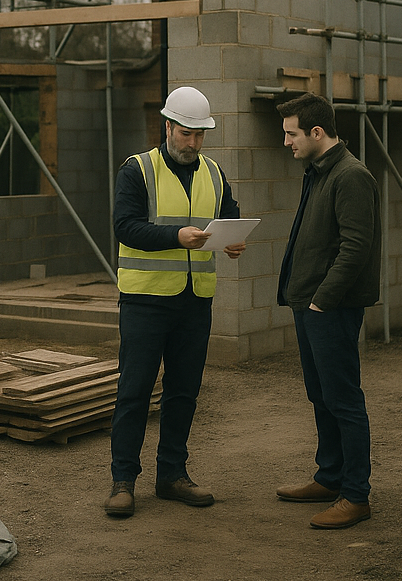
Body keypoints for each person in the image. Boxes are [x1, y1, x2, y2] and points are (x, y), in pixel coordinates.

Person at [105, 86, 245, 518]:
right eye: (187, 133)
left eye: (200, 135)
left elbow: (230, 217)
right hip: (146, 301)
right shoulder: (138, 170)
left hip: (194, 302)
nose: (194, 143)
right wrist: (175, 237)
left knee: (183, 393)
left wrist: (233, 241)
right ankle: (123, 482)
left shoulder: (214, 173)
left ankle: (172, 476)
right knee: (134, 391)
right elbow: (126, 227)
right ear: (167, 127)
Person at [275, 92, 381, 529]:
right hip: (309, 304)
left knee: (343, 399)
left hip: (329, 308)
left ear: (317, 132)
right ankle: (330, 477)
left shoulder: (351, 175)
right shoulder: (318, 171)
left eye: (291, 134)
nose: (287, 142)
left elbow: (356, 248)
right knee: (321, 395)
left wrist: (322, 300)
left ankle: (355, 496)